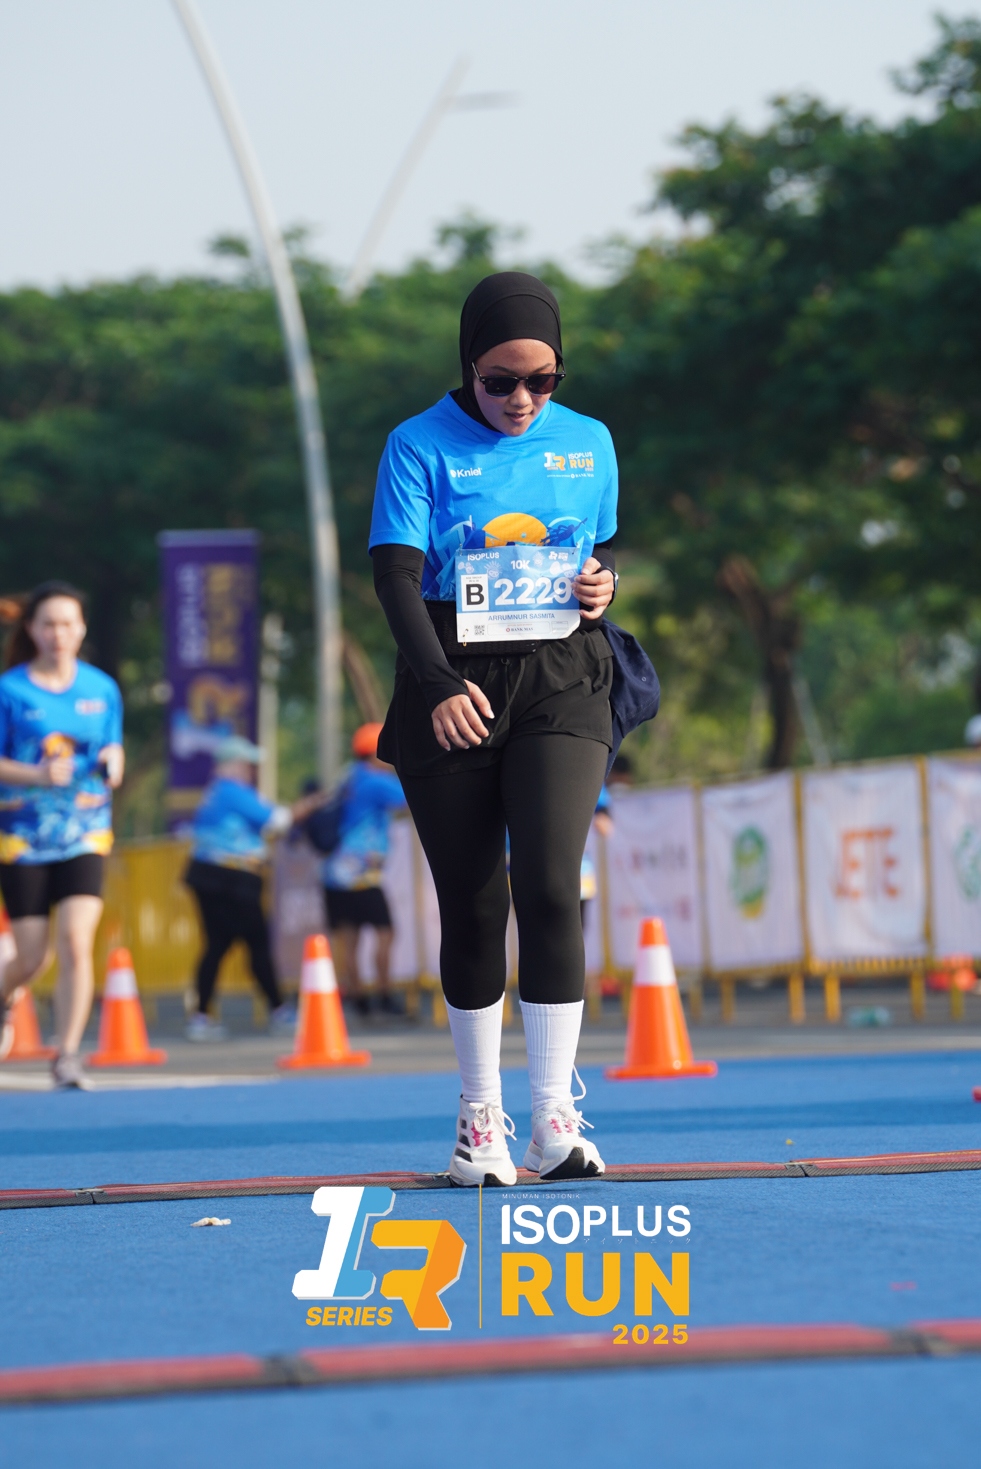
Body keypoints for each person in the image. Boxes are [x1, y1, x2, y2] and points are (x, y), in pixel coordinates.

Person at [370, 271, 621, 1185]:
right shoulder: (416, 444)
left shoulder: (588, 440)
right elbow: (395, 576)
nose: (522, 400)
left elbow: (597, 550)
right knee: (475, 902)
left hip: (562, 674)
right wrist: (437, 683)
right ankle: (481, 1119)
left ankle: (553, 1116)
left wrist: (602, 584)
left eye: (542, 381)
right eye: (500, 382)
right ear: (467, 367)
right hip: (451, 676)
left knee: (551, 884)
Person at [0, 581, 124, 1088]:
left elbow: (112, 747)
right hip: (23, 837)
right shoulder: (10, 691)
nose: (58, 633)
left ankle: (67, 1055)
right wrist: (35, 775)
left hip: (86, 832)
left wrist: (114, 760)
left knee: (76, 941)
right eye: (48, 624)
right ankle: (5, 995)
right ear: (32, 629)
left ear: (82, 629)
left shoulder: (101, 689)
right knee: (32, 956)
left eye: (68, 624)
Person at [183, 736, 323, 1041]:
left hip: (212, 875)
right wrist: (310, 804)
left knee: (218, 945)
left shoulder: (217, 792)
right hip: (231, 877)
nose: (251, 770)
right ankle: (278, 1010)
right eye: (247, 764)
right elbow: (278, 820)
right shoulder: (232, 791)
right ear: (231, 764)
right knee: (255, 943)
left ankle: (202, 1015)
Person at [316, 723, 407, 1016]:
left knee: (349, 940)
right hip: (360, 876)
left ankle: (358, 999)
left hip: (334, 874)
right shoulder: (375, 781)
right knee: (386, 933)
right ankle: (384, 995)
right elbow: (411, 799)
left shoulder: (348, 777)